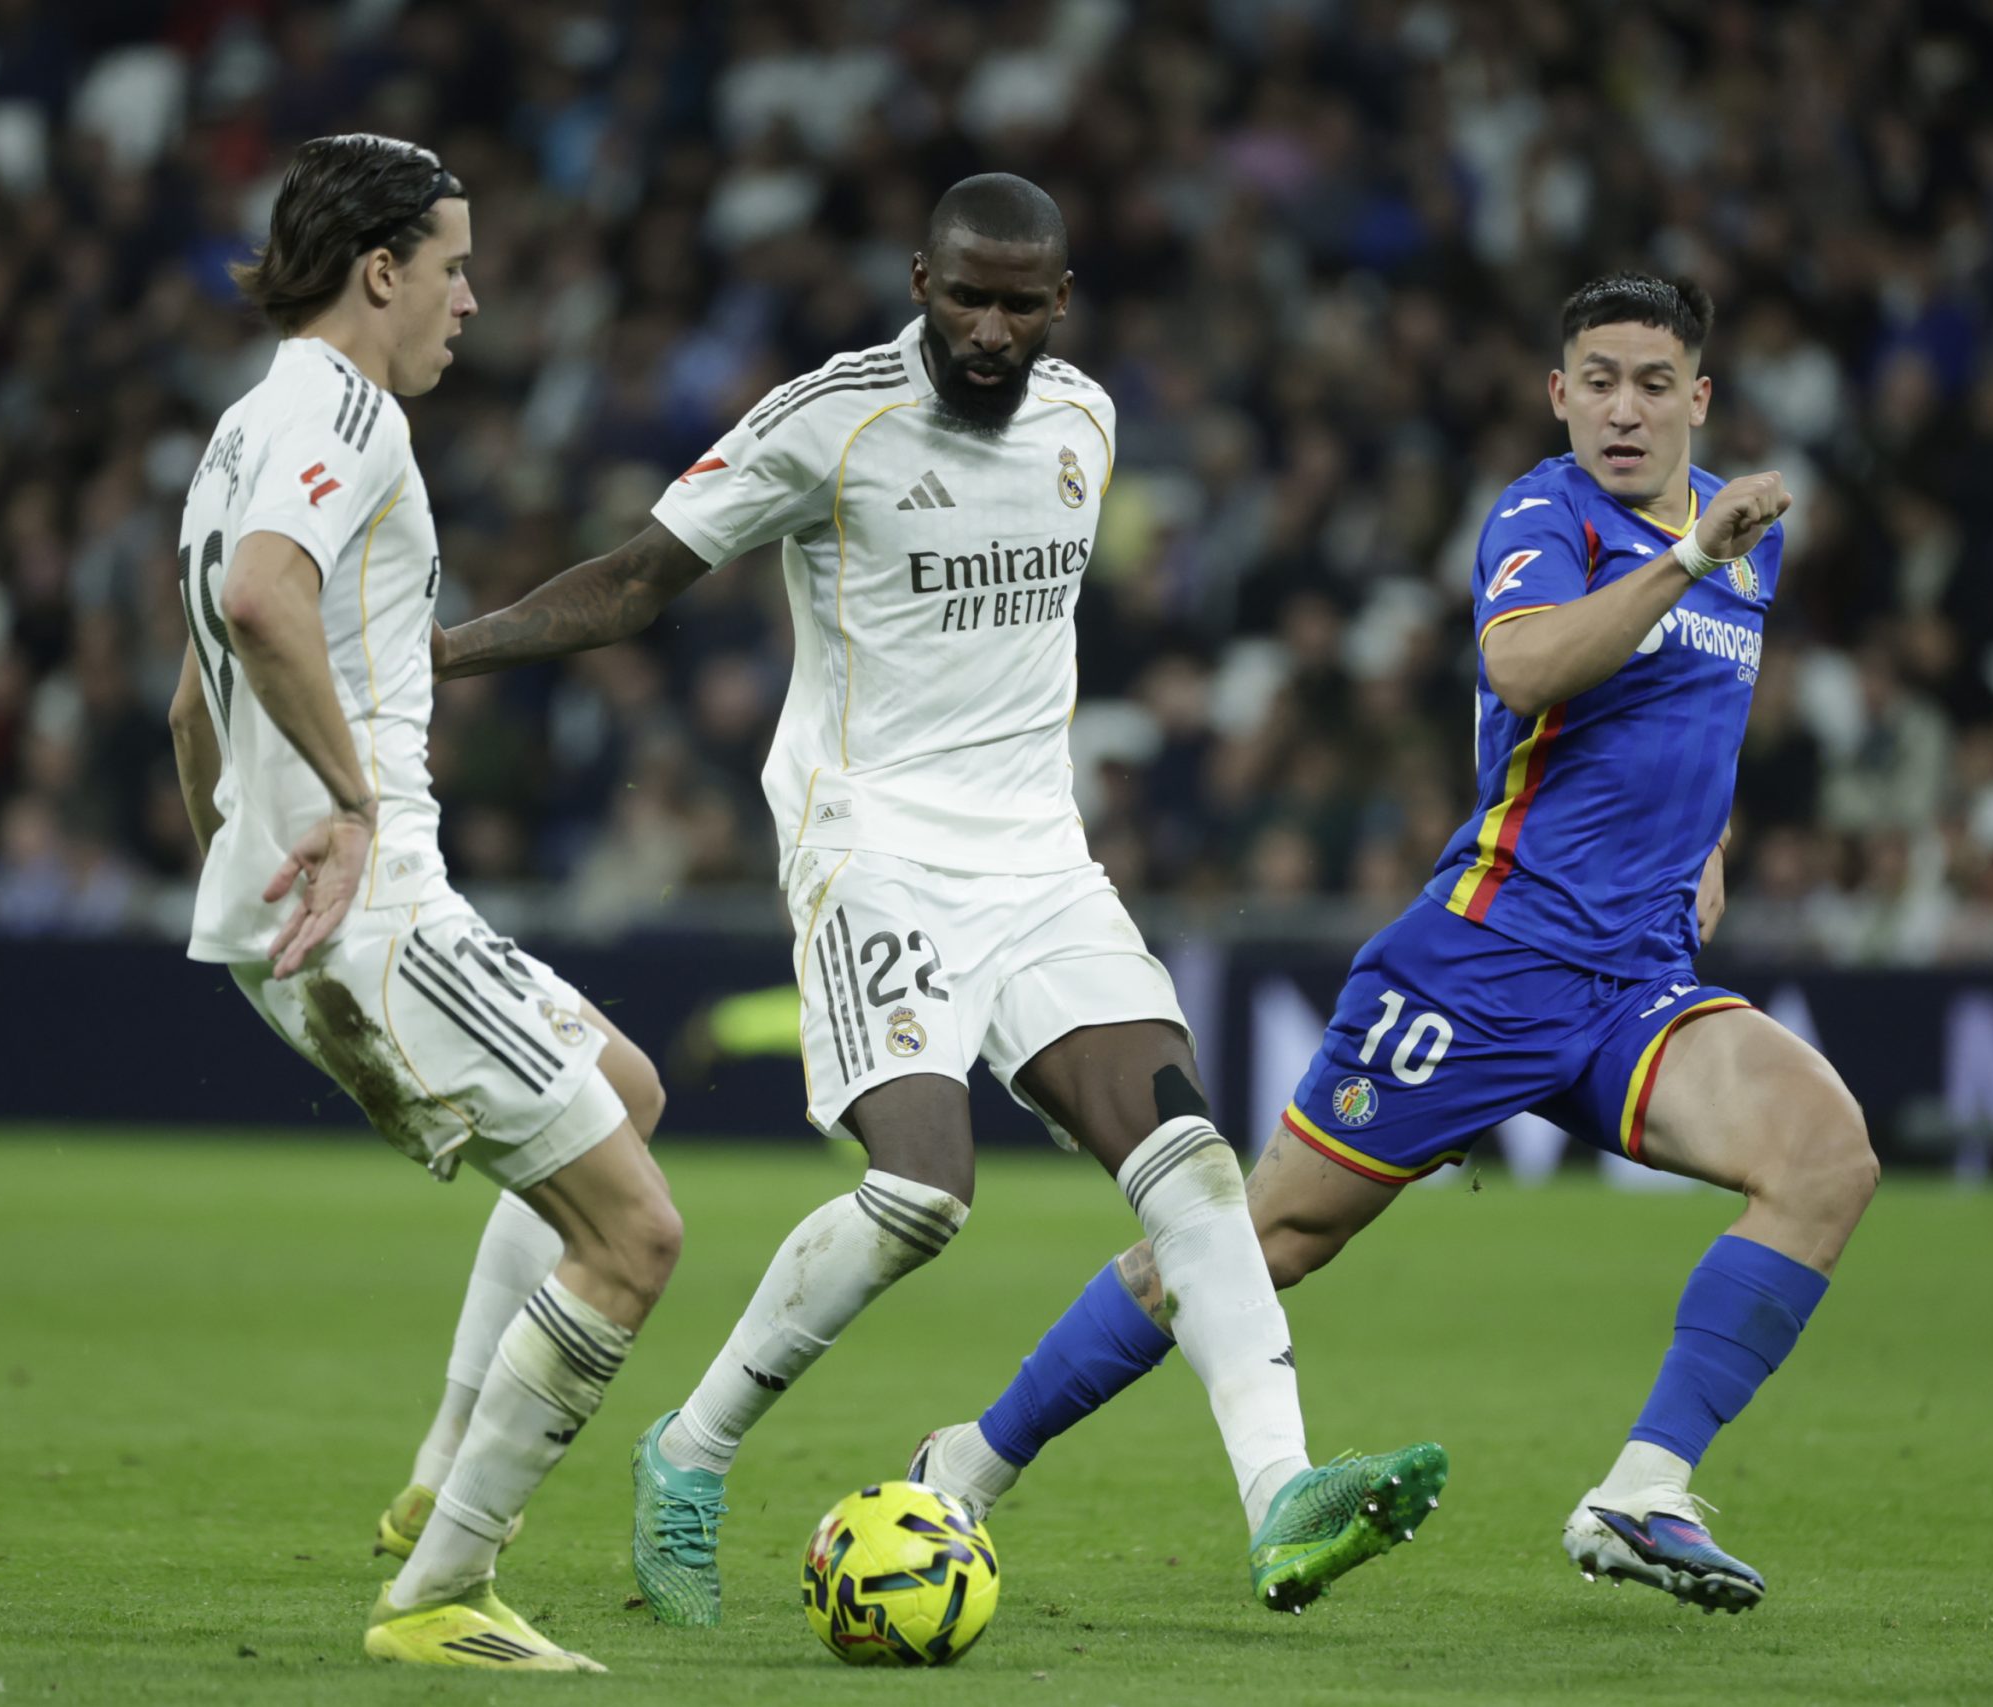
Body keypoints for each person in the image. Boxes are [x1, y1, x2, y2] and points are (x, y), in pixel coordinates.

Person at [429, 172, 1445, 1624]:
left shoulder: (1087, 425)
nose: (989, 326)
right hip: (874, 845)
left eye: (1020, 303)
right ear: (920, 279)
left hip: (1040, 859)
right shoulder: (826, 420)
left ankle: (1280, 1498)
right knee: (920, 1192)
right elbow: (642, 579)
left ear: (1061, 306)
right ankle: (691, 1450)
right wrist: (450, 653)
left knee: (1196, 1170)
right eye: (966, 294)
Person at [910, 273, 1880, 1616]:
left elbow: (1688, 718)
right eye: (1595, 378)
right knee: (1254, 1245)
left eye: (1653, 382)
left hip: (1633, 985)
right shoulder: (1556, 518)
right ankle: (966, 1461)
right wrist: (1690, 556)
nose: (1622, 407)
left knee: (1826, 1156)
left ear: (1698, 398)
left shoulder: (1740, 542)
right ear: (1558, 393)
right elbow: (1527, 674)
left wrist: (1703, 843)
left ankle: (1643, 1488)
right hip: (1485, 967)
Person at [168, 132, 681, 1673]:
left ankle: (433, 1487)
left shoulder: (243, 427)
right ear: (379, 269)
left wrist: (245, 864)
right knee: (636, 1241)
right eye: (454, 266)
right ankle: (445, 1590)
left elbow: (192, 710)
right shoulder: (344, 411)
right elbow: (265, 604)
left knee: (623, 1091)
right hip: (378, 907)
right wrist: (340, 811)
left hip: (334, 905)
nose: (471, 297)